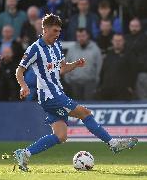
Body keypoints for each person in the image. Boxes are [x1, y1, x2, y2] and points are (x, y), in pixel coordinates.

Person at [13, 14, 138, 172]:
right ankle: (113, 144)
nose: (57, 34)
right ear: (44, 29)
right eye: (55, 30)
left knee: (61, 136)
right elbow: (19, 70)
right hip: (51, 96)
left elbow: (62, 69)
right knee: (85, 113)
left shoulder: (57, 46)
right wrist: (24, 86)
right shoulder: (35, 48)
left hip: (56, 94)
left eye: (59, 31)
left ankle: (24, 153)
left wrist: (76, 64)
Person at [95, 33, 137, 100]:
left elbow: (134, 72)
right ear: (112, 41)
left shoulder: (129, 54)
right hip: (107, 89)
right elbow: (103, 71)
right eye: (115, 40)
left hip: (123, 90)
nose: (117, 42)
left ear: (124, 41)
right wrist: (100, 86)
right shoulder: (108, 54)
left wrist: (131, 86)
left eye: (119, 40)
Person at [64, 28, 102, 100]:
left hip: (90, 83)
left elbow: (99, 66)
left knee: (89, 107)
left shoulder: (95, 49)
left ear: (88, 36)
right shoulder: (72, 49)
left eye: (83, 36)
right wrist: (68, 79)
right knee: (76, 108)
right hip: (74, 83)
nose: (81, 38)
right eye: (78, 36)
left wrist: (96, 80)